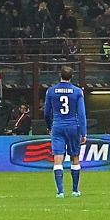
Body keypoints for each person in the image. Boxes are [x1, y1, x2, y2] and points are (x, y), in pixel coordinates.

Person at [44, 67, 88, 198]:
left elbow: (46, 112)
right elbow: (81, 114)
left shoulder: (51, 91)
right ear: (72, 77)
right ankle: (75, 190)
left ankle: (60, 192)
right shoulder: (77, 91)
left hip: (57, 126)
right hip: (73, 126)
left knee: (58, 158)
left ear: (60, 75)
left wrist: (49, 127)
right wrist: (83, 132)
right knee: (75, 157)